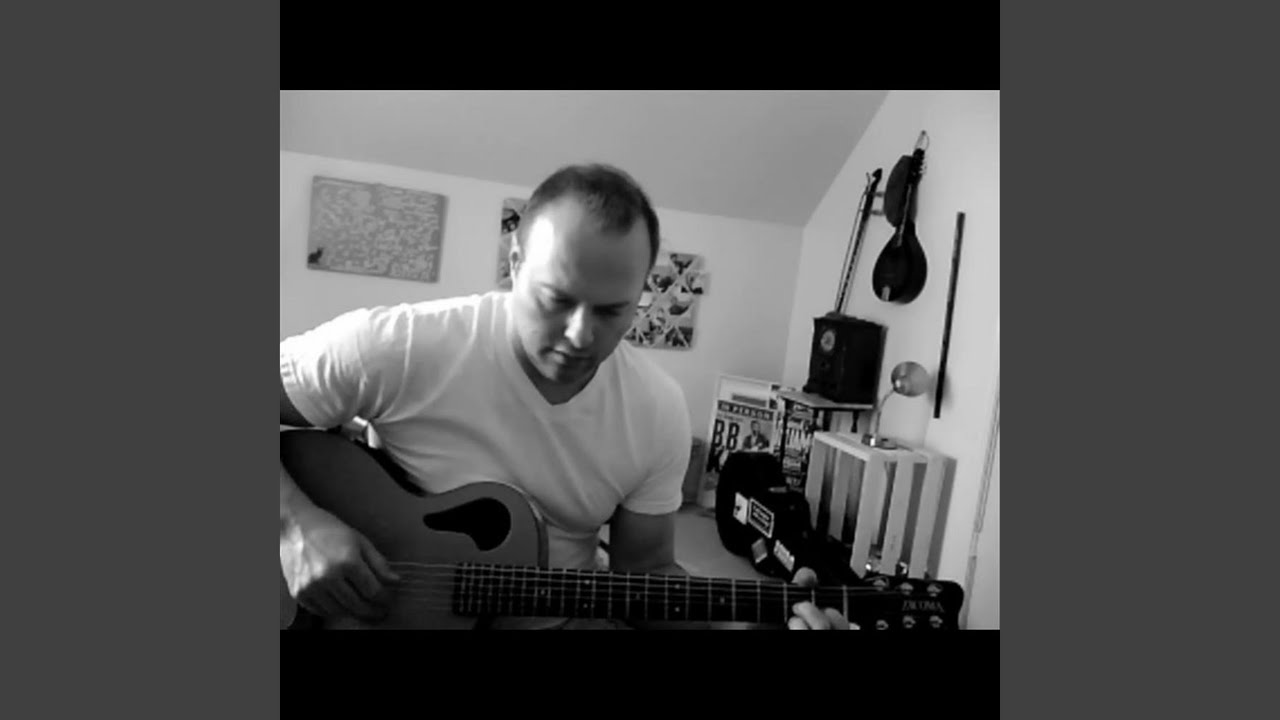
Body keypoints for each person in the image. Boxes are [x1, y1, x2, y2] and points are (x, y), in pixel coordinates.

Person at [279, 163, 854, 630]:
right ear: (514, 265)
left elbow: (645, 573)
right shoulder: (403, 345)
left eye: (612, 311)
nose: (580, 335)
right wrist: (295, 527)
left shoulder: (655, 410)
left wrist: (745, 622)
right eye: (557, 299)